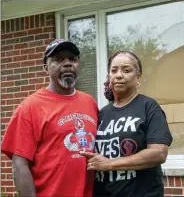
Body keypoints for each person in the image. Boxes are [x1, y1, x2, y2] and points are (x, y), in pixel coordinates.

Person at [1, 39, 98, 197]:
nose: (67, 63)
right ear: (46, 67)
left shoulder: (90, 103)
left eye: (72, 59)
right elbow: (19, 165)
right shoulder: (30, 107)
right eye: (59, 59)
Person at [80, 51, 173, 197]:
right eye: (114, 70)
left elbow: (159, 153)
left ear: (138, 77)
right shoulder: (101, 113)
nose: (118, 75)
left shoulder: (148, 107)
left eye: (126, 70)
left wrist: (110, 164)